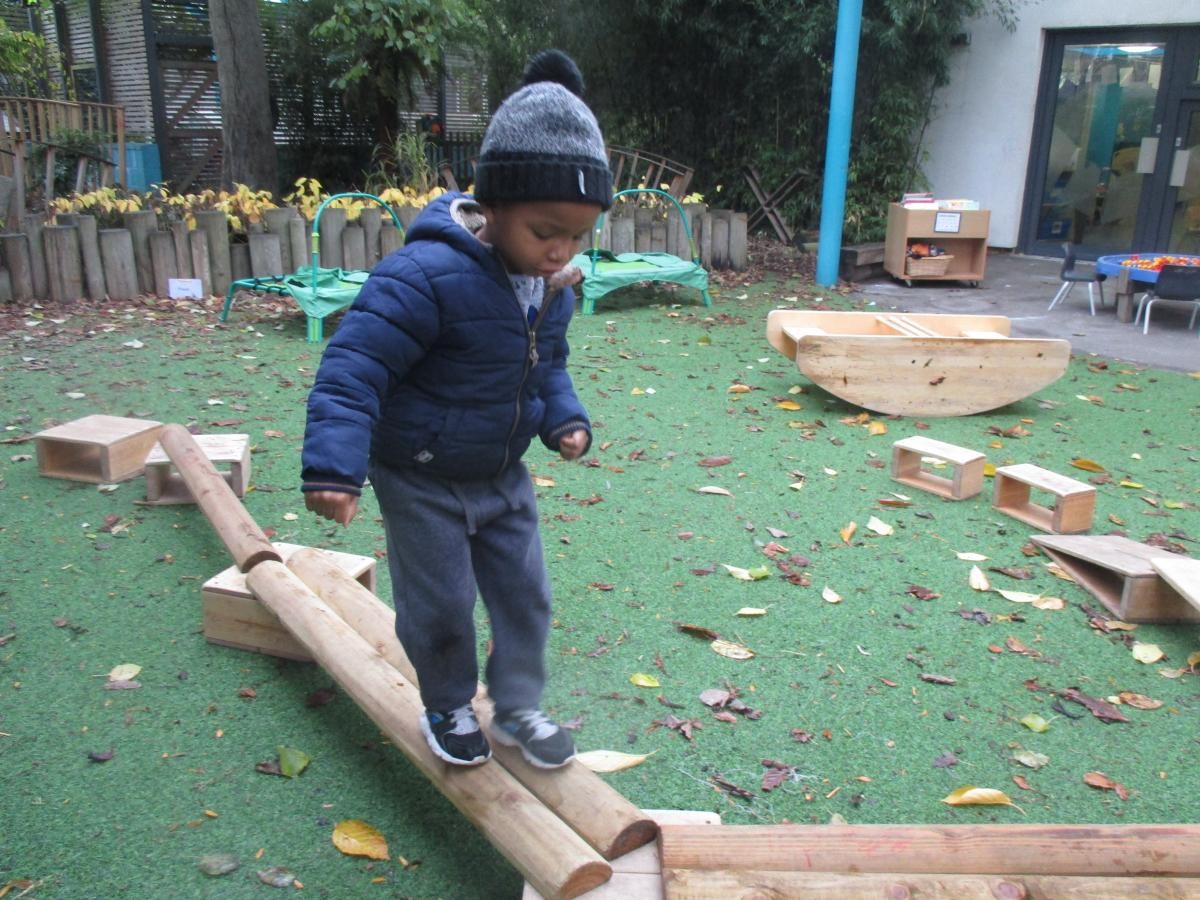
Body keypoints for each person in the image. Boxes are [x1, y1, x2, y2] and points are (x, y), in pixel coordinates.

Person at [300, 49, 612, 769]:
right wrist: (335, 468)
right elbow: (356, 365)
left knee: (525, 598)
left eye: (578, 234)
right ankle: (447, 703)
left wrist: (562, 416)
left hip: (501, 473)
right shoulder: (424, 275)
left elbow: (546, 364)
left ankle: (517, 707)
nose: (561, 248)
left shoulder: (550, 284)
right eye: (545, 230)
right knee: (441, 605)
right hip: (421, 476)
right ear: (493, 204)